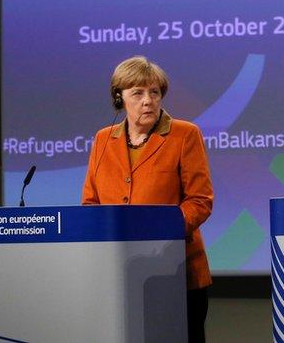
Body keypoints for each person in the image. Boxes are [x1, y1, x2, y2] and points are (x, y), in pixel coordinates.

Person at [82, 56, 214, 342]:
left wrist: (159, 235)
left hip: (177, 271)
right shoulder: (103, 140)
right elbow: (90, 205)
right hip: (119, 274)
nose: (148, 101)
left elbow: (199, 201)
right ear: (120, 98)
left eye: (154, 92)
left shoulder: (184, 134)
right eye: (138, 93)